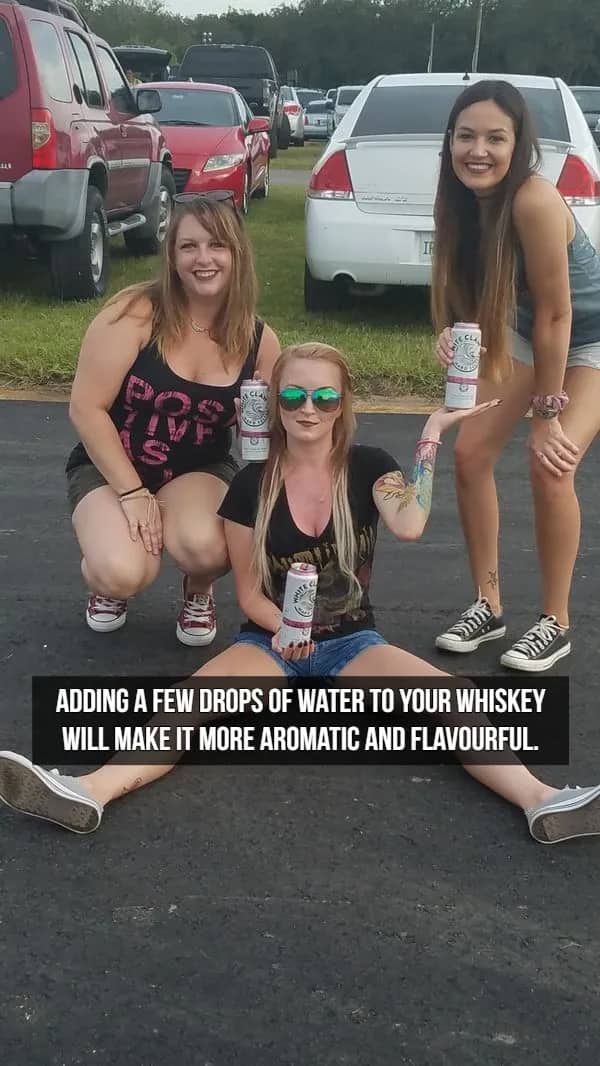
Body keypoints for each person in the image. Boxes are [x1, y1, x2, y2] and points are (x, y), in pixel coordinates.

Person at [1, 343, 599, 845]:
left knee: (456, 707)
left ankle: (542, 801)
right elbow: (248, 590)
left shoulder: (369, 465)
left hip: (353, 640)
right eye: (292, 396)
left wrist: (431, 435)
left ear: (342, 405)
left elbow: (411, 524)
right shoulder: (250, 487)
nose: (307, 408)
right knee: (186, 709)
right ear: (274, 404)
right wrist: (286, 630)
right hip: (270, 640)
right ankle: (87, 792)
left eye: (323, 397)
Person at [431, 79, 600, 672]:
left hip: (590, 338)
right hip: (536, 331)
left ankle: (555, 622)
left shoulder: (531, 197)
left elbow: (559, 312)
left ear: (518, 144)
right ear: (449, 141)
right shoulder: (461, 199)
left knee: (551, 462)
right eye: (466, 136)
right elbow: (482, 292)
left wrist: (546, 415)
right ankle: (489, 603)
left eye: (495, 138)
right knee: (471, 452)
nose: (478, 150)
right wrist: (454, 330)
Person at [65, 191, 280, 645]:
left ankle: (197, 589)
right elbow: (86, 408)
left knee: (210, 548)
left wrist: (255, 427)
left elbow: (263, 440)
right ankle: (106, 581)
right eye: (189, 246)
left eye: (217, 245)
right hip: (112, 466)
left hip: (197, 468)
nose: (204, 259)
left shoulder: (259, 340)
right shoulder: (135, 314)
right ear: (172, 255)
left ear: (237, 253)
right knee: (122, 571)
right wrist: (132, 493)